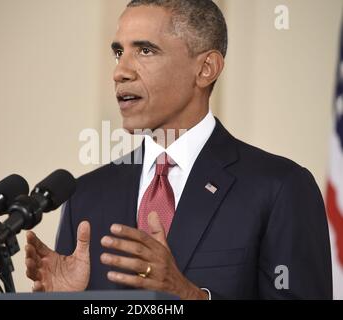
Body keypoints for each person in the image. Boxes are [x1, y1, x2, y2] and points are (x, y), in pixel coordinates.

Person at [25, 0, 332, 299]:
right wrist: (65, 301)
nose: (120, 71)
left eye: (145, 50)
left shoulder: (280, 187)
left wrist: (190, 296)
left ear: (206, 68)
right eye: (119, 52)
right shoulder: (85, 196)